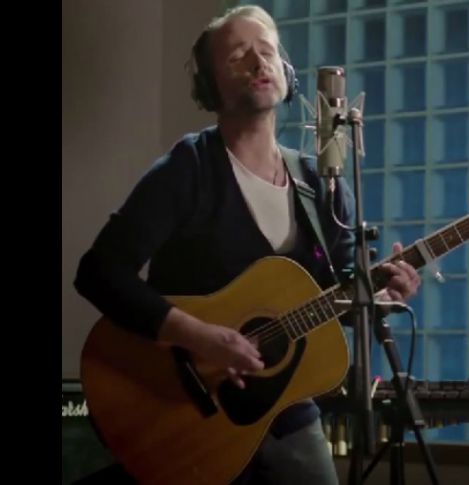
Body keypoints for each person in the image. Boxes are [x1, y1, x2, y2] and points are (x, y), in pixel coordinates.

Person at [74, 5, 421, 484]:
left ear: (286, 72)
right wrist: (200, 337)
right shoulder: (190, 168)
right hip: (185, 408)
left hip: (285, 412)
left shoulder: (320, 182)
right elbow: (99, 272)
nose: (259, 62)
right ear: (209, 85)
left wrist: (379, 293)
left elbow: (339, 294)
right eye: (239, 55)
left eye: (268, 51)